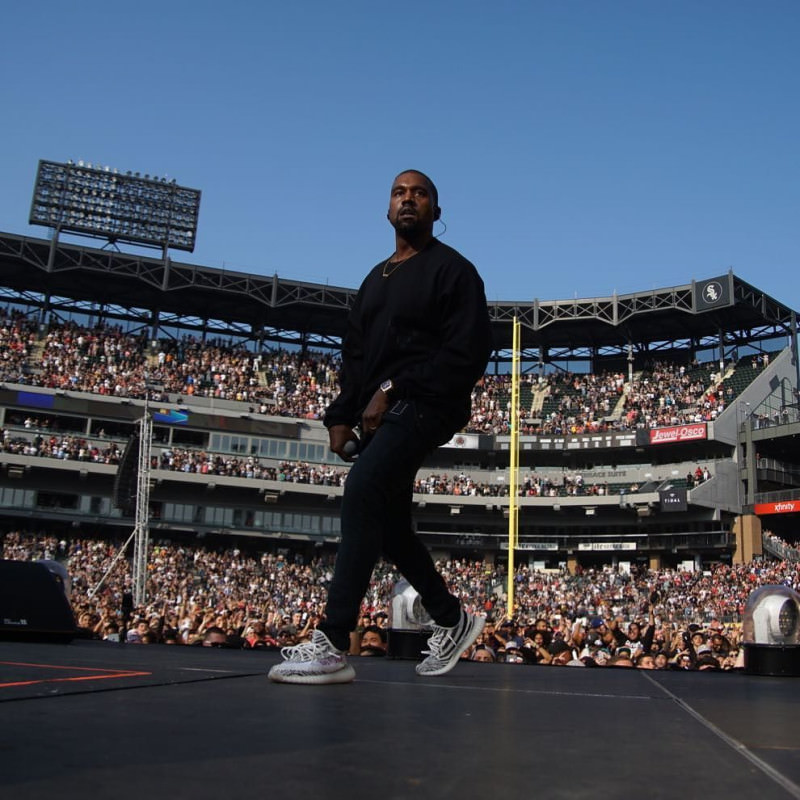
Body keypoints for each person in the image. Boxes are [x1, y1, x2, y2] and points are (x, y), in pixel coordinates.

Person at [269, 169, 492, 684]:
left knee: (363, 488)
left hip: (426, 403)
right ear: (387, 210)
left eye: (420, 193)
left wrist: (393, 388)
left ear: (437, 211)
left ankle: (331, 641)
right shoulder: (374, 279)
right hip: (378, 412)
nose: (408, 199)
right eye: (399, 192)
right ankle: (453, 620)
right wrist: (340, 415)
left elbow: (467, 353)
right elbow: (356, 357)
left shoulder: (455, 272)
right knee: (389, 526)